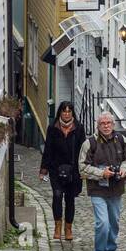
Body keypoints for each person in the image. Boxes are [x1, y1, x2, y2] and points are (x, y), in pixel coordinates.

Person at [78, 111, 126, 251]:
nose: (106, 126)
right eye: (102, 123)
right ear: (98, 126)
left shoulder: (121, 139)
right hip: (97, 189)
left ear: (113, 124)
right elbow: (82, 168)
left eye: (108, 123)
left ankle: (111, 249)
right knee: (102, 222)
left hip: (116, 188)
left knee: (114, 221)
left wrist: (123, 169)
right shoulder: (89, 143)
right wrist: (101, 173)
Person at [39, 101, 86, 241]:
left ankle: (68, 228)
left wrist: (83, 169)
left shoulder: (79, 128)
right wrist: (44, 170)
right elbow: (48, 149)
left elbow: (83, 150)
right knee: (57, 195)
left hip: (73, 170)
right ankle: (57, 226)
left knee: (70, 199)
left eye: (69, 111)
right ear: (60, 112)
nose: (66, 114)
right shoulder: (53, 128)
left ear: (72, 113)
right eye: (64, 111)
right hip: (56, 169)